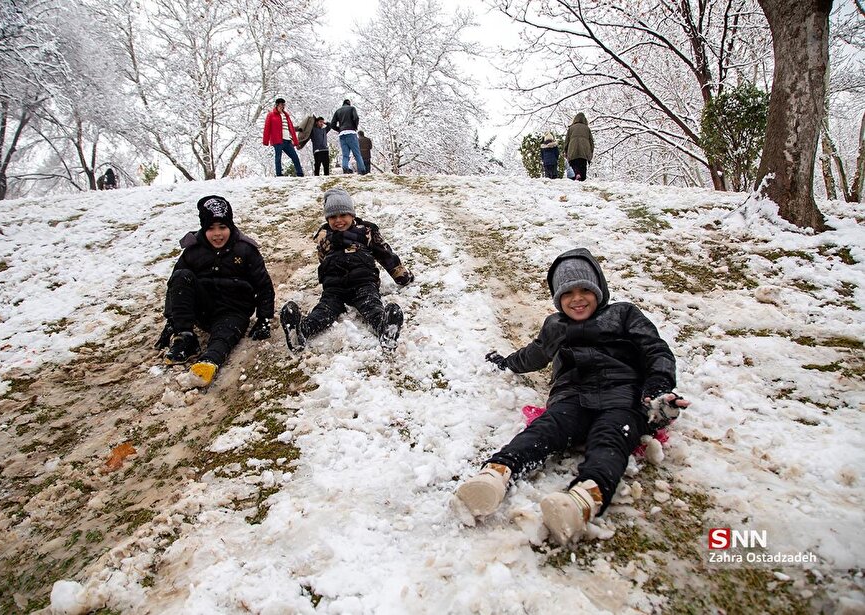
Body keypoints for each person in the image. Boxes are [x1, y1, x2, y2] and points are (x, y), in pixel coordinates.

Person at [453, 247, 689, 545]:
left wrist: (658, 387)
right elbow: (534, 355)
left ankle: (584, 499)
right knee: (546, 429)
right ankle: (496, 474)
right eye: (567, 294)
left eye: (584, 291)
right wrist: (506, 362)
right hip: (572, 396)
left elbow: (655, 349)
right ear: (557, 298)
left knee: (610, 438)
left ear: (599, 290)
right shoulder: (556, 325)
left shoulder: (623, 313)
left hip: (623, 396)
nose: (577, 299)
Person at [156, 195, 275, 386]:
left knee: (224, 335)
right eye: (211, 228)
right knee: (181, 276)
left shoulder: (245, 250)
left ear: (231, 227)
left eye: (222, 227)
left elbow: (264, 285)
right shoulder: (193, 251)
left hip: (234, 310)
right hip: (204, 309)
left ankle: (210, 361)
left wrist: (264, 319)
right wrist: (172, 320)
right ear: (204, 228)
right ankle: (185, 337)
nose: (217, 234)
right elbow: (175, 286)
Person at [279, 188, 413, 352]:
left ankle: (385, 328)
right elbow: (323, 260)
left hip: (363, 283)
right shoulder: (324, 235)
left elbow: (385, 254)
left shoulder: (367, 231)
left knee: (371, 306)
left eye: (343, 215)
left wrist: (401, 275)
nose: (338, 221)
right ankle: (301, 331)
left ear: (352, 215)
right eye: (333, 217)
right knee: (324, 310)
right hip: (335, 287)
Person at [262, 98, 305, 177]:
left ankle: (300, 173)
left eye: (284, 104)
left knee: (295, 157)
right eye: (281, 104)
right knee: (278, 157)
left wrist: (295, 141)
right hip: (277, 140)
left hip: (287, 140)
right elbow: (267, 128)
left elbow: (291, 128)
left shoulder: (286, 115)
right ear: (277, 105)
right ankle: (279, 174)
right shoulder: (271, 115)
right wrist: (265, 141)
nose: (283, 106)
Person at [329, 99, 366, 175]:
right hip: (351, 133)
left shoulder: (338, 111)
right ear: (349, 104)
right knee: (357, 153)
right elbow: (356, 118)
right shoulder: (352, 108)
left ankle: (345, 168)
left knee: (345, 154)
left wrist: (339, 129)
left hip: (342, 134)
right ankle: (362, 170)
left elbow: (332, 124)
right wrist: (355, 127)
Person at [563, 113, 594, 181]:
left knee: (574, 164)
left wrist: (565, 151)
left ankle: (576, 175)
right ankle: (581, 177)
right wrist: (591, 152)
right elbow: (591, 141)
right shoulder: (587, 128)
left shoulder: (571, 128)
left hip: (572, 150)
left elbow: (567, 141)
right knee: (582, 165)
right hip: (584, 151)